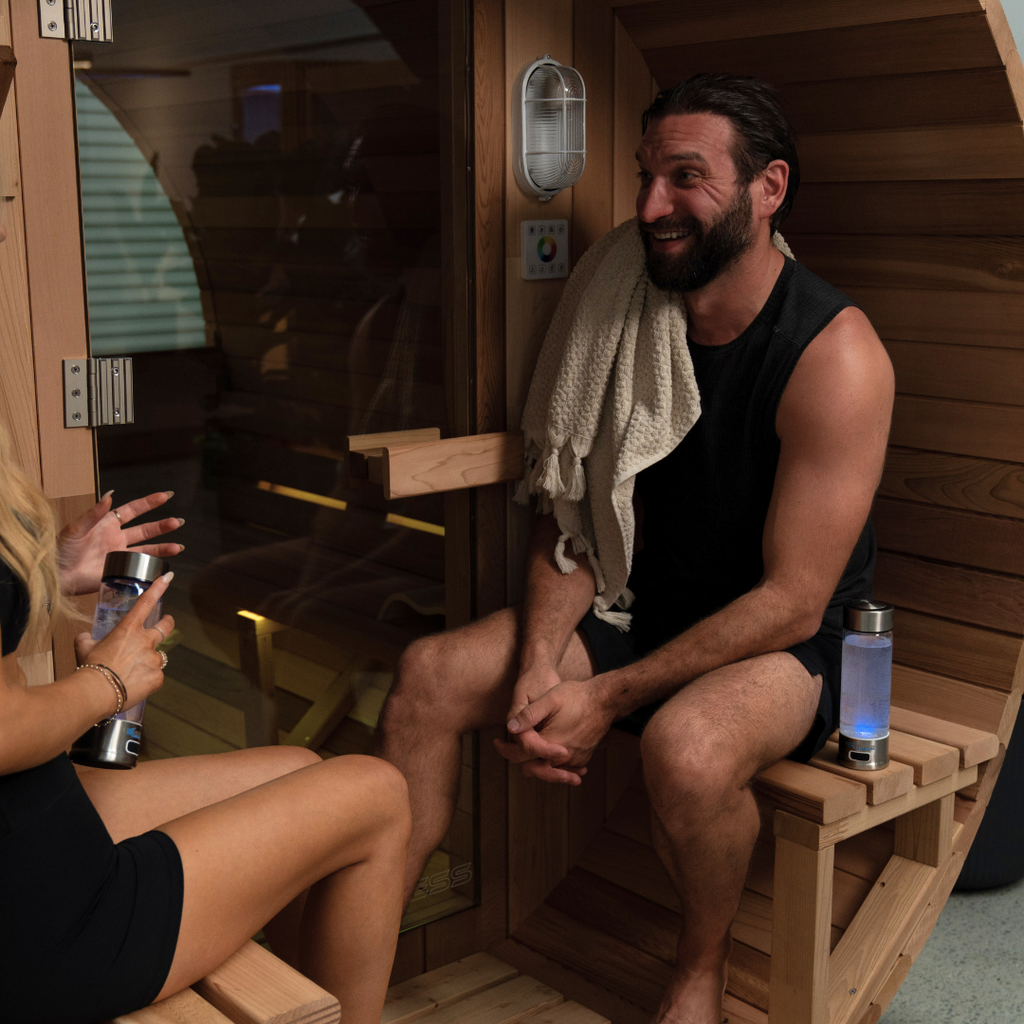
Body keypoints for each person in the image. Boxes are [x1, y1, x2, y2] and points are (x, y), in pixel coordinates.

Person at [377, 73, 894, 1024]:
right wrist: (539, 665)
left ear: (767, 188)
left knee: (687, 748)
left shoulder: (834, 355)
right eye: (645, 175)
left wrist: (603, 697)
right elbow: (573, 513)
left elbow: (793, 600)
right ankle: (358, 974)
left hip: (787, 649)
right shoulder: (628, 309)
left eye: (685, 177)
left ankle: (700, 967)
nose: (651, 207)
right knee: (428, 674)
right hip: (638, 603)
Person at [0, 454, 410, 1019]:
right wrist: (109, 682)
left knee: (298, 769)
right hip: (36, 920)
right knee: (378, 791)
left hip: (30, 822)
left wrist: (47, 573)